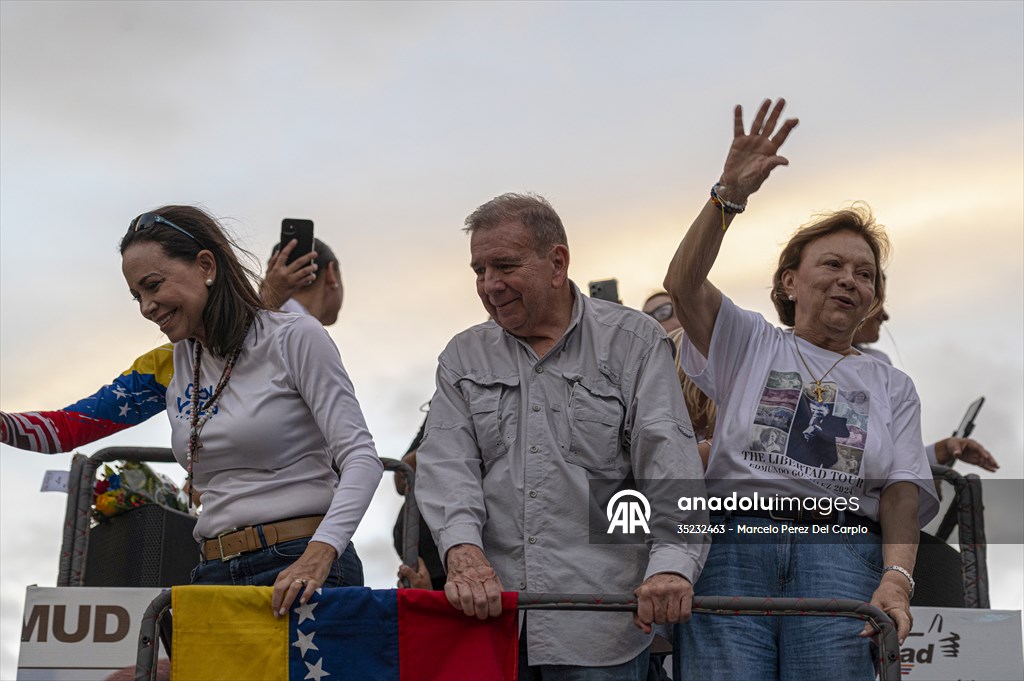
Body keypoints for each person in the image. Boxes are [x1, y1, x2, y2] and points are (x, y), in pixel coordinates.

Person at [663, 99, 939, 680]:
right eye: (833, 264)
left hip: (840, 555)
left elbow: (902, 492)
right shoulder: (750, 341)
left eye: (865, 274)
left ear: (874, 299)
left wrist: (897, 578)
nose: (849, 280)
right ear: (790, 281)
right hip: (735, 544)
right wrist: (728, 195)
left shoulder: (892, 384)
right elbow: (682, 283)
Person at [2, 206, 382, 616]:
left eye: (152, 285)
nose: (146, 307)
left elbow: (362, 458)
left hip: (301, 566)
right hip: (212, 572)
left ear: (205, 265)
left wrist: (321, 554)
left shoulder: (295, 336)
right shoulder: (169, 364)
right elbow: (65, 430)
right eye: (137, 296)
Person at [415, 193, 708, 679]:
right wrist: (462, 552)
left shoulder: (634, 341)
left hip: (601, 624)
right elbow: (447, 466)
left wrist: (672, 566)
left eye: (504, 266)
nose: (490, 285)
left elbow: (670, 466)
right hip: (491, 625)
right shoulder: (462, 357)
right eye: (479, 271)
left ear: (557, 263)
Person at [854, 306, 999, 471]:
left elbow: (892, 464)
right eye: (877, 300)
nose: (886, 315)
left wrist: (943, 450)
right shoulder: (873, 364)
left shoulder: (878, 364)